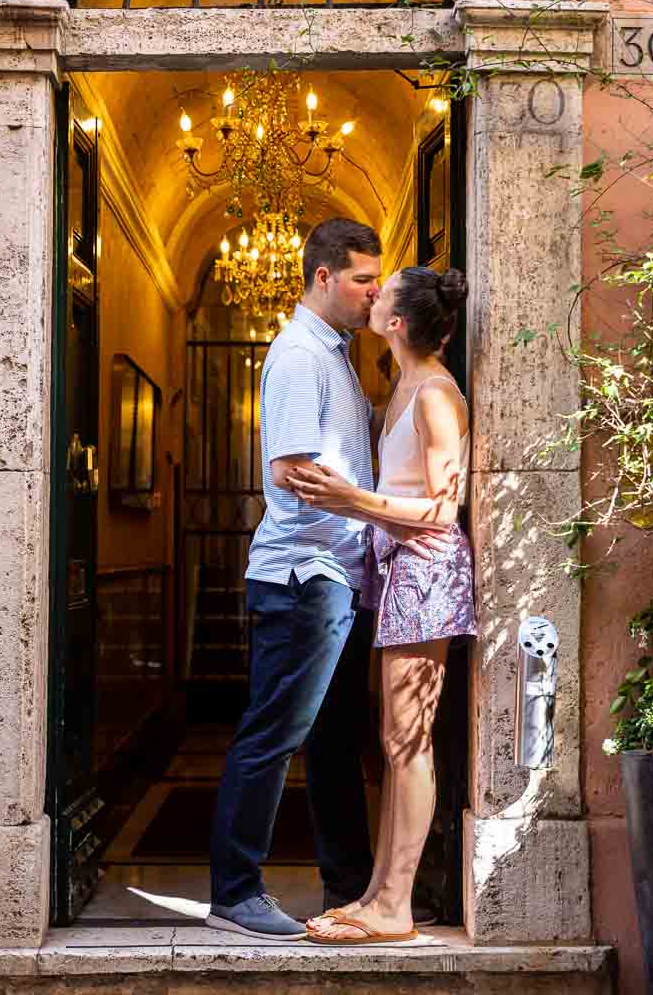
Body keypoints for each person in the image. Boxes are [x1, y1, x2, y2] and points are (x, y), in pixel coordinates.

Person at [207, 220, 442, 941]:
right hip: (304, 574)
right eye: (363, 279)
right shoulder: (301, 356)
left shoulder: (337, 357)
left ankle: (349, 885)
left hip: (337, 573)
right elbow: (289, 472)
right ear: (323, 278)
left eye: (378, 279)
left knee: (333, 739)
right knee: (274, 732)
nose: (375, 290)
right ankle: (235, 893)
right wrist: (368, 510)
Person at [288, 266, 477, 947]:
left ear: (397, 321)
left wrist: (352, 501)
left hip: (427, 574)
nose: (372, 294)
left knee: (409, 743)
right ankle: (378, 893)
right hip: (399, 575)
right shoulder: (403, 384)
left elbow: (441, 510)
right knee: (397, 745)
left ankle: (395, 905)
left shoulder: (435, 396)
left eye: (383, 290)